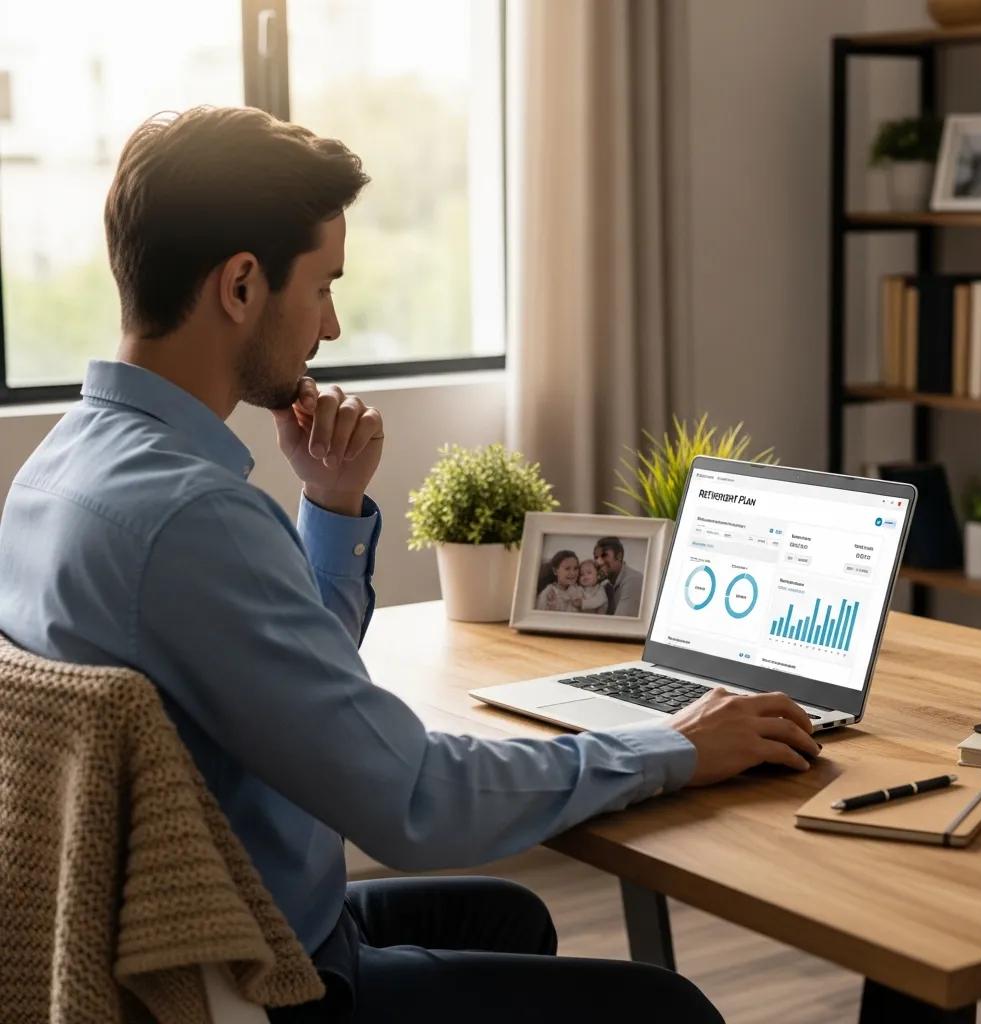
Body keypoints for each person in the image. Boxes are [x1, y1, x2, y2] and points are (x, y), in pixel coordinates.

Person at [0, 106, 819, 1023]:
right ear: (240, 284)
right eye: (322, 288)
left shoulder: (57, 470)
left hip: (192, 925)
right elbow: (414, 801)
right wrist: (676, 747)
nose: (333, 326)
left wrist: (332, 507)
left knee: (505, 916)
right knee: (668, 1011)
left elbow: (297, 690)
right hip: (262, 973)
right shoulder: (197, 517)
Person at [594, 536, 645, 617]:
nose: (598, 562)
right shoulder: (604, 584)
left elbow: (620, 624)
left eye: (604, 555)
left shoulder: (633, 580)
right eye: (596, 557)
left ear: (619, 556)